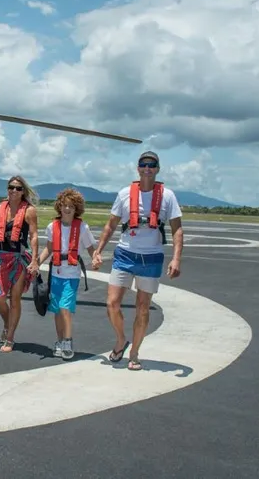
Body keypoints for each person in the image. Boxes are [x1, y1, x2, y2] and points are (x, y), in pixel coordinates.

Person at [92, 151, 184, 371]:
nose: (147, 168)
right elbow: (111, 224)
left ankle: (134, 353)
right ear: (137, 168)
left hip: (151, 257)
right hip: (125, 254)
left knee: (143, 308)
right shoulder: (125, 194)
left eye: (152, 165)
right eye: (143, 164)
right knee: (111, 303)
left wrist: (176, 259)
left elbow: (177, 228)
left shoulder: (168, 196)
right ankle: (121, 339)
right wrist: (98, 250)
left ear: (158, 169)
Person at [35, 188, 97, 360]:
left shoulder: (83, 228)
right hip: (56, 273)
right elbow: (48, 248)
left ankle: (68, 342)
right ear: (59, 207)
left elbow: (91, 248)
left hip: (72, 274)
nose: (67, 209)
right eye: (64, 206)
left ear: (76, 208)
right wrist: (36, 263)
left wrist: (96, 258)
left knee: (65, 308)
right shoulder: (51, 227)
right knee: (57, 310)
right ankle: (60, 341)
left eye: (71, 206)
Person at [0, 175, 40, 353]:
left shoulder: (29, 211)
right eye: (11, 187)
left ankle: (10, 337)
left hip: (18, 259)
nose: (14, 191)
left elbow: (34, 236)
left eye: (18, 188)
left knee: (15, 300)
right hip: (1, 257)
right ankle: (8, 323)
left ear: (23, 191)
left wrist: (36, 260)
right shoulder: (1, 208)